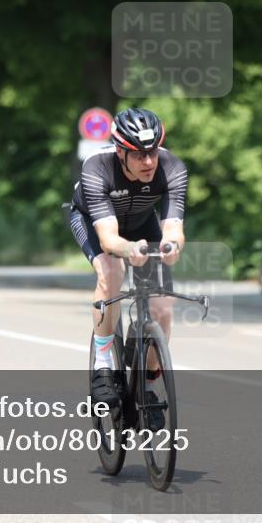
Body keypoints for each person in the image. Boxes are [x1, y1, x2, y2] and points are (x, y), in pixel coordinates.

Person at [67, 108, 188, 406]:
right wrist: (128, 250)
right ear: (120, 152)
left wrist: (172, 247)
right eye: (137, 154)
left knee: (162, 306)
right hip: (95, 224)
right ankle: (103, 365)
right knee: (111, 272)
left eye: (152, 152)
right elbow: (109, 239)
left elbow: (173, 228)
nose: (148, 162)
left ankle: (146, 387)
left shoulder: (172, 167)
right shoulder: (97, 167)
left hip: (142, 222)